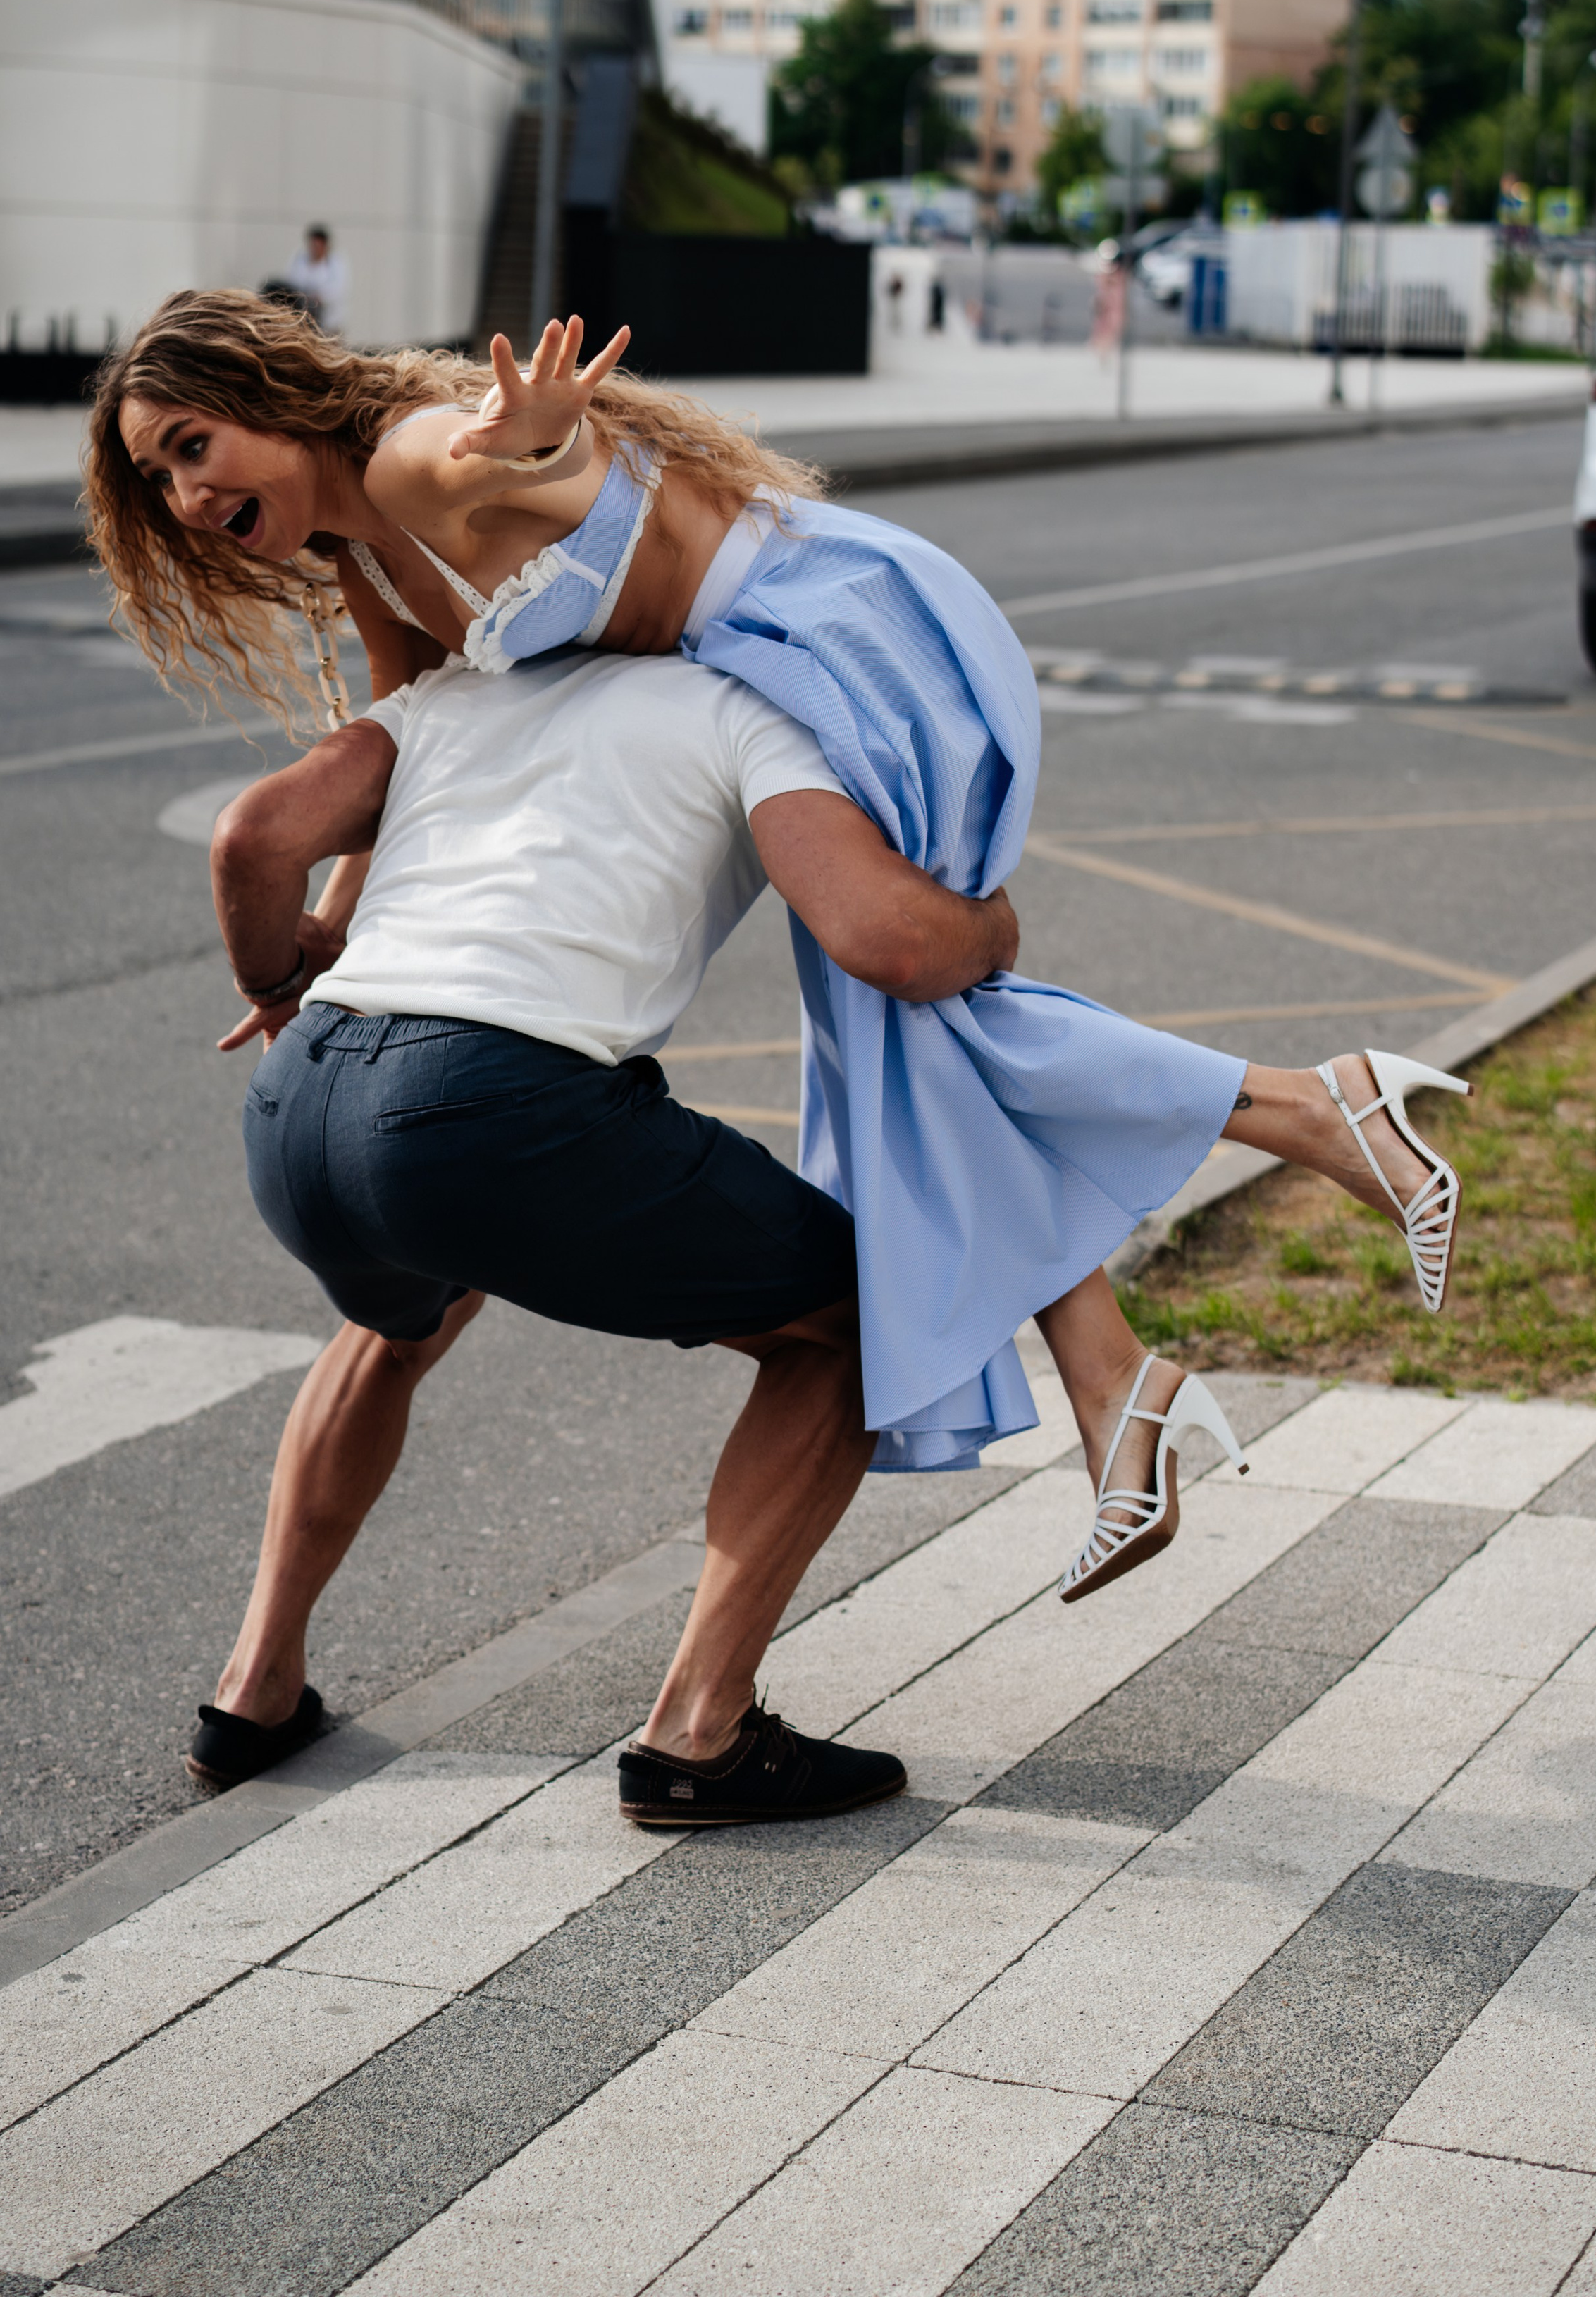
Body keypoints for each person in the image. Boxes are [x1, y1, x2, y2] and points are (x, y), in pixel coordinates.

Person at [82, 290, 1466, 1511]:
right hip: (775, 664)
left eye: (193, 448)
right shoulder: (366, 557)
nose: (189, 499)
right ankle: (1134, 1369)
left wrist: (534, 440)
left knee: (899, 976)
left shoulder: (403, 461)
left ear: (264, 397)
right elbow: (409, 758)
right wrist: (333, 946)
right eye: (160, 484)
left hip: (831, 633)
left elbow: (475, 456)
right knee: (899, 1021)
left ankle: (1288, 1136)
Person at [192, 640, 1449, 1801]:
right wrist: (988, 925)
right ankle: (699, 1733)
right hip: (490, 1112)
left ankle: (253, 1694)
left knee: (403, 1318)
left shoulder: (457, 692)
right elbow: (892, 944)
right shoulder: (743, 706)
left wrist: (276, 979)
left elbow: (253, 839)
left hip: (298, 1110)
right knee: (858, 1328)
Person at [283, 225, 348, 335]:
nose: (315, 249)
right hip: (303, 320)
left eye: (319, 245)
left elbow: (338, 290)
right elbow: (292, 283)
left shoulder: (335, 263)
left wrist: (319, 297)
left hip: (329, 323)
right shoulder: (299, 259)